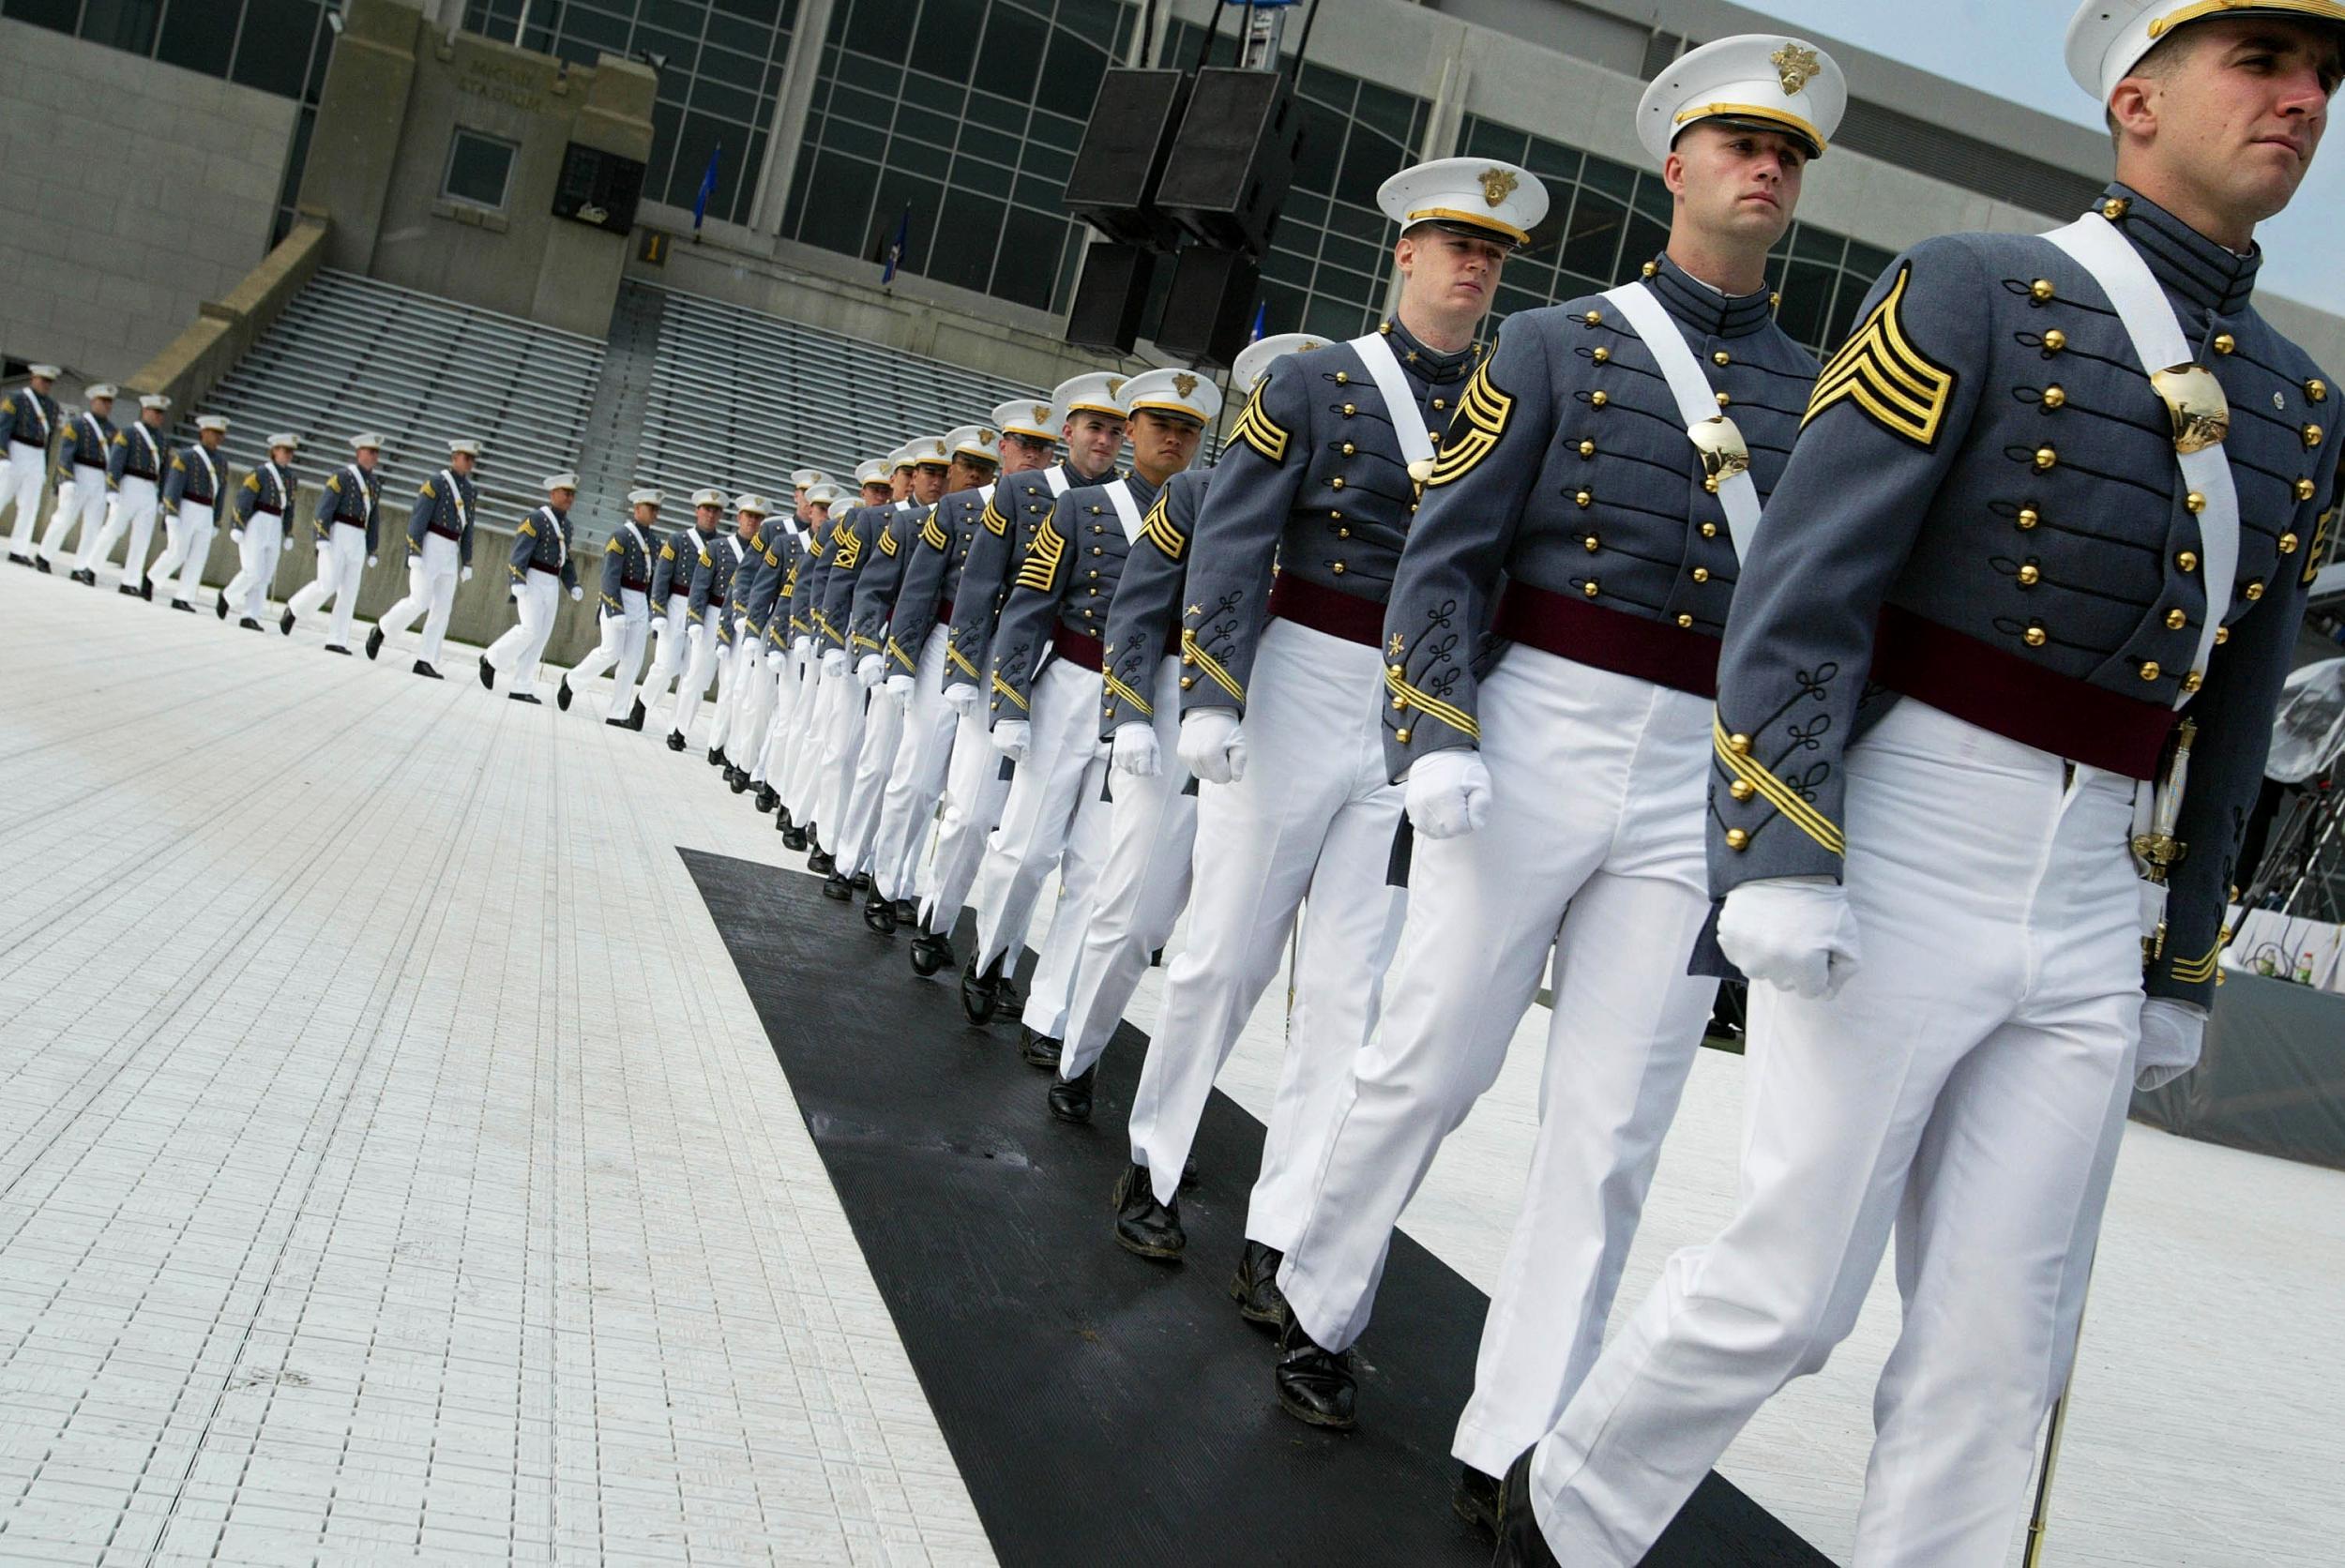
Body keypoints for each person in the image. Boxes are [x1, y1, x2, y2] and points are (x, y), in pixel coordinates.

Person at [1499, 7, 2342, 1564]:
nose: (2303, 100)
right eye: (2264, 63)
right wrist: (1781, 846)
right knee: (1791, 1289)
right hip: (1908, 843)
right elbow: (1807, 591)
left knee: (2001, 1337)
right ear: (2138, 100)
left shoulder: (2299, 401)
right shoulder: (1975, 290)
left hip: (2099, 879)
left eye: (2322, 80)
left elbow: (2229, 716)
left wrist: (2187, 951)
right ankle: (1568, 1511)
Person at [1263, 35, 1842, 1518]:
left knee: (1612, 1132)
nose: (1768, 167)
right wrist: (1437, 735)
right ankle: (1321, 1296)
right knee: (1430, 1057)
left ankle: (1513, 1432)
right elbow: (1443, 570)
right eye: (1739, 144)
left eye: (1790, 154)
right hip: (1534, 739)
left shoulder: (1824, 392)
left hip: (1688, 773)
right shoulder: (1553, 344)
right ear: (1678, 167)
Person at [1111, 157, 1546, 1292]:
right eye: (1456, 244)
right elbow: (1232, 540)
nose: (1474, 265)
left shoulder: (1516, 398)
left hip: (1418, 705)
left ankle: (1283, 1231)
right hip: (1301, 676)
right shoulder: (1311, 385)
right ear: (1404, 251)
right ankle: (1154, 1165)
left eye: (1491, 254)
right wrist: (1211, 688)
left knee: (1351, 995)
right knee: (1221, 956)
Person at [1047, 337, 1316, 1121]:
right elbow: (1134, 611)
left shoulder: (1337, 509)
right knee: (1135, 908)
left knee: (1228, 937)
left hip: (1280, 715)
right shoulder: (1194, 496)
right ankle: (1081, 1052)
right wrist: (1130, 711)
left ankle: (1174, 1109)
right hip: (1176, 701)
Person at [970, 369, 1217, 1065]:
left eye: (1188, 429)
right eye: (1159, 424)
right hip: (1073, 688)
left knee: (1095, 867)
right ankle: (991, 955)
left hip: (1150, 703)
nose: (1172, 438)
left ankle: (1051, 1013)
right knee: (1026, 851)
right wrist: (1010, 698)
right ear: (1129, 430)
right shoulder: (1082, 509)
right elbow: (1028, 604)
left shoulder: (1207, 511)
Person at [928, 373, 1124, 1002]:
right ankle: (939, 915)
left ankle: (999, 961)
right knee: (972, 813)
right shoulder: (1019, 491)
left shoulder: (1130, 504)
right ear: (1068, 433)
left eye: (1115, 430)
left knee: (1046, 841)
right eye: (1094, 427)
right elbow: (982, 586)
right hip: (1008, 663)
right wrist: (964, 670)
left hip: (1073, 672)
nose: (1103, 440)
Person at [868, 400, 1057, 932]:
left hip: (1012, 650)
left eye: (1044, 449)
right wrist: (902, 658)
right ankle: (889, 883)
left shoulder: (1060, 507)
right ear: (1005, 449)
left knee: (972, 797)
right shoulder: (960, 509)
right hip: (948, 641)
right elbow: (920, 586)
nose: (1034, 457)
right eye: (1025, 446)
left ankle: (933, 896)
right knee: (919, 777)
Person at [836, 427, 994, 915]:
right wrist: (873, 651)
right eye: (965, 466)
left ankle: (898, 879)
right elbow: (876, 590)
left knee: (931, 782)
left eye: (984, 469)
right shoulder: (905, 525)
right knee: (881, 765)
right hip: (908, 651)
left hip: (968, 653)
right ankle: (848, 860)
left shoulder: (996, 521)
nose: (973, 476)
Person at [369, 440, 482, 676]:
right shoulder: (437, 483)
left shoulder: (471, 491)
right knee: (419, 601)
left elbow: (468, 528)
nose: (469, 462)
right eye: (465, 457)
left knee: (442, 608)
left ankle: (425, 659)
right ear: (454, 457)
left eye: (472, 458)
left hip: (451, 550)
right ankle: (382, 629)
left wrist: (467, 560)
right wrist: (414, 550)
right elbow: (419, 517)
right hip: (431, 544)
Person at [665, 494, 765, 752]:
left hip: (742, 619)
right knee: (697, 675)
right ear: (739, 517)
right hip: (714, 613)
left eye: (757, 517)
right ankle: (679, 728)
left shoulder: (764, 554)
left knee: (733, 684)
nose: (751, 521)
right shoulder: (718, 548)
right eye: (748, 515)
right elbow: (699, 586)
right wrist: (695, 619)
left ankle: (717, 744)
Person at [561, 486, 665, 726]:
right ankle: (571, 681)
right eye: (651, 509)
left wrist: (651, 612)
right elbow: (609, 575)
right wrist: (615, 608)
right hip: (619, 598)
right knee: (610, 651)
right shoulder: (621, 536)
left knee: (633, 660)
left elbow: (653, 580)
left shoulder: (655, 542)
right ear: (637, 509)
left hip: (639, 600)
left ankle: (617, 712)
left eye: (657, 510)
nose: (655, 514)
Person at [479, 473, 583, 702]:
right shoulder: (536, 519)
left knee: (540, 637)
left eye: (572, 495)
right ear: (553, 493)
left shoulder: (567, 526)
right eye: (566, 493)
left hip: (552, 582)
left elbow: (566, 559)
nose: (569, 498)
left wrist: (572, 583)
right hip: (533, 579)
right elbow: (520, 551)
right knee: (529, 629)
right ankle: (492, 658)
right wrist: (516, 578)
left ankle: (521, 685)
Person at [280, 433, 385, 650]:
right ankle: (295, 608)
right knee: (326, 584)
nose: (374, 456)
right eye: (370, 451)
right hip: (338, 533)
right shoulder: (343, 477)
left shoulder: (375, 484)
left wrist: (372, 548)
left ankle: (337, 639)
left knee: (349, 591)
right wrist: (321, 536)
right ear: (359, 453)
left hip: (358, 537)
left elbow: (373, 517)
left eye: (376, 452)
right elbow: (324, 508)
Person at [639, 487, 727, 719]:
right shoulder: (678, 540)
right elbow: (662, 577)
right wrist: (657, 610)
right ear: (697, 510)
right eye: (707, 509)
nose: (710, 515)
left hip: (705, 610)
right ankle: (643, 703)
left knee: (694, 672)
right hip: (677, 604)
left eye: (716, 511)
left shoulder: (723, 545)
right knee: (666, 664)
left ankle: (678, 726)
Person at [82, 392, 174, 595]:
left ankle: (130, 581)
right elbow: (116, 462)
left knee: (142, 538)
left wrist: (161, 499)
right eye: (156, 412)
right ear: (145, 411)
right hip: (128, 485)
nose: (159, 417)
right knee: (112, 529)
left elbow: (165, 470)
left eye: (162, 413)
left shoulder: (162, 440)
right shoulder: (129, 433)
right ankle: (91, 568)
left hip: (150, 488)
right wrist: (112, 488)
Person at [217, 432, 300, 630]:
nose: (288, 455)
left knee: (265, 575)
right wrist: (238, 524)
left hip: (275, 524)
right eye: (284, 450)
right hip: (257, 522)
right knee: (252, 570)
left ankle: (250, 615)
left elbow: (289, 508)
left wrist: (288, 533)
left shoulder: (290, 479)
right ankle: (228, 596)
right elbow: (244, 499)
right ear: (274, 451)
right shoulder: (261, 473)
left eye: (291, 452)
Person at [150, 414, 232, 611]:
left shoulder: (221, 462)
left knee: (198, 556)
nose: (218, 437)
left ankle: (183, 596)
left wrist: (216, 519)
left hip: (206, 511)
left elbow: (220, 493)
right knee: (177, 551)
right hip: (187, 506)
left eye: (221, 434)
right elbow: (174, 485)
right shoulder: (186, 456)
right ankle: (151, 578)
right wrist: (171, 511)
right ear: (203, 432)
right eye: (214, 433)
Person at [38, 384, 117, 575]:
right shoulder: (78, 425)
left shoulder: (113, 430)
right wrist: (67, 478)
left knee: (93, 525)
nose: (107, 405)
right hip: (79, 474)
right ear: (93, 401)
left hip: (99, 478)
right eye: (103, 401)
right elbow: (66, 453)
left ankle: (81, 566)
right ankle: (44, 555)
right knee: (64, 518)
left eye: (109, 402)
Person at [2, 364, 63, 565]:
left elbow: (51, 437)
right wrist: (3, 455)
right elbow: (3, 426)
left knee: (30, 505)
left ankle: (19, 548)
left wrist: (44, 466)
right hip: (16, 448)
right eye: (43, 380)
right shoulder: (17, 399)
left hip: (36, 454)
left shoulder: (52, 407)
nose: (46, 385)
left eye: (49, 382)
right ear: (33, 378)